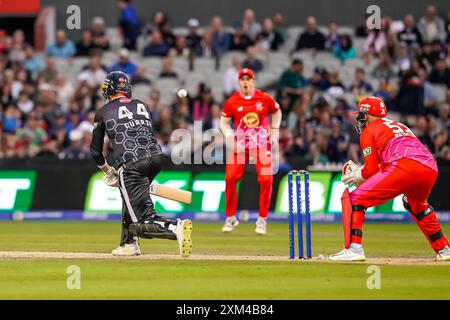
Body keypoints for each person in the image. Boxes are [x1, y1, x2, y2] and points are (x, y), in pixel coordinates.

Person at [330, 96, 450, 261]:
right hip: (429, 167)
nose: (359, 119)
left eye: (361, 114)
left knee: (354, 198)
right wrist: (364, 172)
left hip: (404, 166)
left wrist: (360, 175)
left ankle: (354, 248)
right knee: (416, 204)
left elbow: (372, 170)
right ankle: (444, 249)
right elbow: (388, 164)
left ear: (369, 115)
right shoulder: (400, 125)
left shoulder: (369, 131)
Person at [89, 71, 193, 257]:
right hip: (157, 158)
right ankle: (128, 244)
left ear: (109, 90)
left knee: (143, 221)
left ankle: (174, 227)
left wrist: (108, 171)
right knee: (127, 195)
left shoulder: (103, 112)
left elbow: (95, 151)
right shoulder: (142, 105)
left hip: (132, 163)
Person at [220, 68, 282, 235]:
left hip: (261, 144)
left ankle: (262, 219)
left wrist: (275, 131)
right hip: (240, 146)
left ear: (253, 81)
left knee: (266, 179)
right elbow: (223, 122)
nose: (245, 82)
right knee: (230, 177)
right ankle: (231, 217)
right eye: (242, 79)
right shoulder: (232, 101)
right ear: (239, 82)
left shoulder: (263, 98)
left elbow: (277, 111)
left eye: (248, 79)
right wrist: (231, 139)